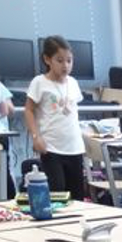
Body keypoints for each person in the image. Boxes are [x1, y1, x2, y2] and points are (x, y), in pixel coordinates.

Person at [24, 36, 85, 203]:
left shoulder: (73, 83)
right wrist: (36, 136)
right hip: (52, 148)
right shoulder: (39, 82)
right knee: (57, 195)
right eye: (60, 60)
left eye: (69, 61)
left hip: (74, 148)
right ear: (47, 59)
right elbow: (29, 110)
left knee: (77, 197)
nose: (65, 65)